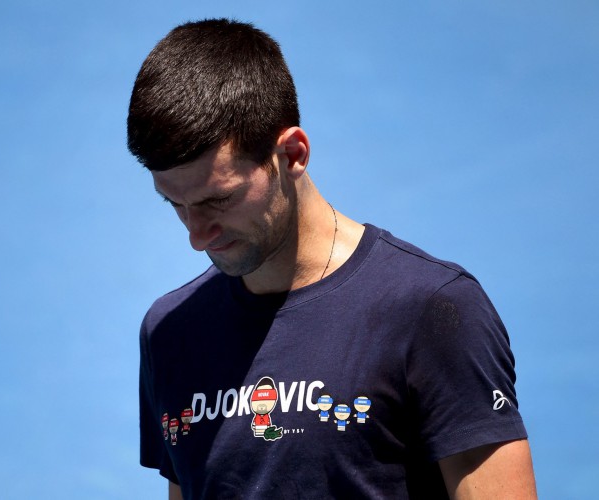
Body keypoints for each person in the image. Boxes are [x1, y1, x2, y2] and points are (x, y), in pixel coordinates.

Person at [127, 18, 537, 499]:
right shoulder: (171, 333)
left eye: (218, 200)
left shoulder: (433, 311)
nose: (197, 237)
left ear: (293, 154)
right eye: (176, 204)